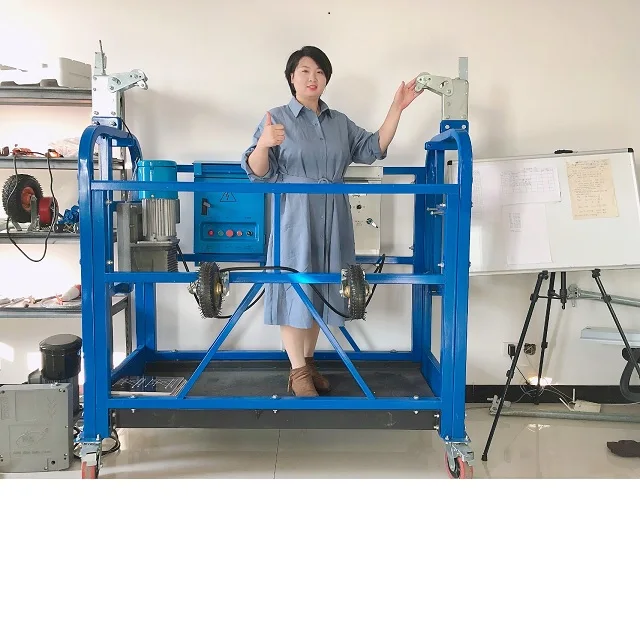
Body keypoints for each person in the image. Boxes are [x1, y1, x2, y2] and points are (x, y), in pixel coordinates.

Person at [241, 45, 422, 397]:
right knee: (295, 287)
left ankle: (308, 363)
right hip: (295, 214)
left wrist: (396, 107)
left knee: (323, 288)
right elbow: (258, 173)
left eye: (320, 72)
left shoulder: (338, 122)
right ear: (291, 77)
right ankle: (297, 371)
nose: (313, 78)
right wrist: (263, 144)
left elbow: (372, 148)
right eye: (305, 71)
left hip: (334, 213)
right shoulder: (276, 117)